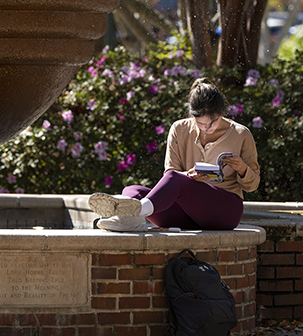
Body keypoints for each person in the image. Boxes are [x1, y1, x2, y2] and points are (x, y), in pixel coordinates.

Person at [88, 77, 260, 232]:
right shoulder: (179, 129)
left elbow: (253, 185)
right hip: (186, 215)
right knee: (132, 190)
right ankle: (130, 218)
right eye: (201, 123)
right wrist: (190, 176)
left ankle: (136, 212)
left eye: (213, 122)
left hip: (224, 213)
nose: (208, 128)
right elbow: (170, 174)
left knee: (175, 180)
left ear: (222, 112)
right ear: (192, 116)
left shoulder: (241, 134)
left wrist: (243, 169)